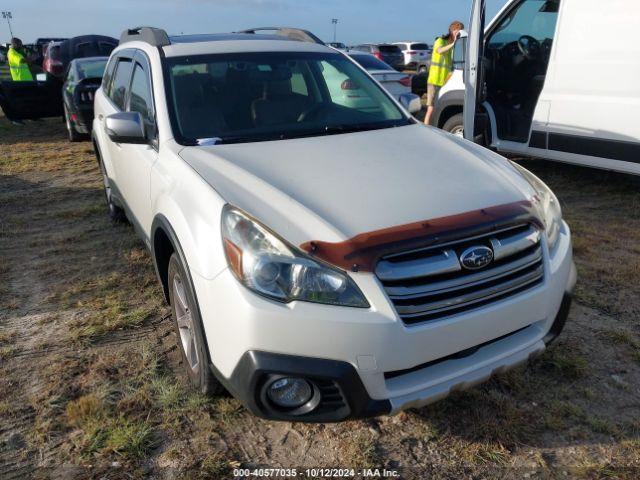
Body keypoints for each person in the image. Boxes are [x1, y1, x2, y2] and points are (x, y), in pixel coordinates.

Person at [424, 21, 464, 126]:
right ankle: (425, 128)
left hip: (444, 83)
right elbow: (440, 51)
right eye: (457, 32)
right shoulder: (440, 41)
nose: (458, 34)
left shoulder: (453, 46)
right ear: (452, 31)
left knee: (438, 108)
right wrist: (453, 44)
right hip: (434, 81)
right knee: (430, 108)